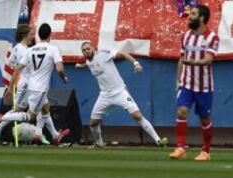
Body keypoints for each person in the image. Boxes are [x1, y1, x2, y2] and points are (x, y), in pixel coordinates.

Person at [75, 42, 168, 148]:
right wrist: (81, 65)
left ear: (92, 48)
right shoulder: (88, 61)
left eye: (88, 48)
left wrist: (136, 63)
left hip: (120, 92)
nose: (86, 51)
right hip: (104, 95)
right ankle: (99, 143)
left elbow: (123, 54)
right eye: (84, 50)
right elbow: (90, 64)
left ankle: (158, 140)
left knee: (137, 115)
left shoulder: (103, 54)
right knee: (93, 123)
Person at [0, 24, 70, 145]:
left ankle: (50, 135)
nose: (32, 36)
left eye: (33, 34)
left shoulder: (29, 49)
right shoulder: (48, 49)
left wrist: (10, 87)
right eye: (30, 34)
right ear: (50, 34)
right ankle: (1, 120)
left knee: (45, 107)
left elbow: (13, 65)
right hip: (31, 84)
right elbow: (59, 68)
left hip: (29, 82)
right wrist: (64, 78)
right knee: (28, 115)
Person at [169, 5, 219, 161]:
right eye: (189, 14)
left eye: (193, 14)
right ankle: (180, 148)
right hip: (187, 83)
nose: (189, 17)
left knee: (204, 119)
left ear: (202, 17)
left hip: (204, 86)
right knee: (181, 111)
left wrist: (194, 63)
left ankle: (206, 151)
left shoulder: (212, 37)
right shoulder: (185, 36)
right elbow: (181, 59)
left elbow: (209, 59)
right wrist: (178, 80)